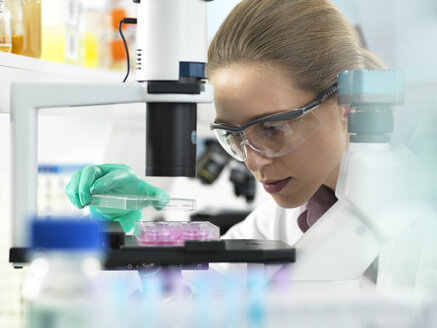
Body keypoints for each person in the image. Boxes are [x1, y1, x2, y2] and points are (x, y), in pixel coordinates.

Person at [65, 0, 384, 276]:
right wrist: (116, 232)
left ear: (346, 103)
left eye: (273, 128)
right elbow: (188, 302)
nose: (253, 161)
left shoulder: (419, 213)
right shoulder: (272, 226)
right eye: (233, 136)